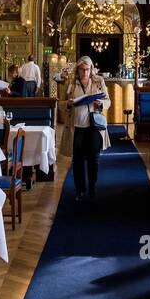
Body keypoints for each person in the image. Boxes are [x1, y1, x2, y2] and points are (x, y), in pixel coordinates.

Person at [64, 56, 108, 201]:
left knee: (93, 159)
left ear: (91, 69)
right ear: (78, 70)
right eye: (82, 70)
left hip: (93, 126)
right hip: (76, 126)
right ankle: (80, 190)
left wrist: (100, 104)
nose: (84, 72)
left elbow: (108, 101)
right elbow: (61, 103)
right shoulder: (71, 82)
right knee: (77, 160)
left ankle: (92, 187)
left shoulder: (99, 81)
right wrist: (69, 104)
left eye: (87, 69)